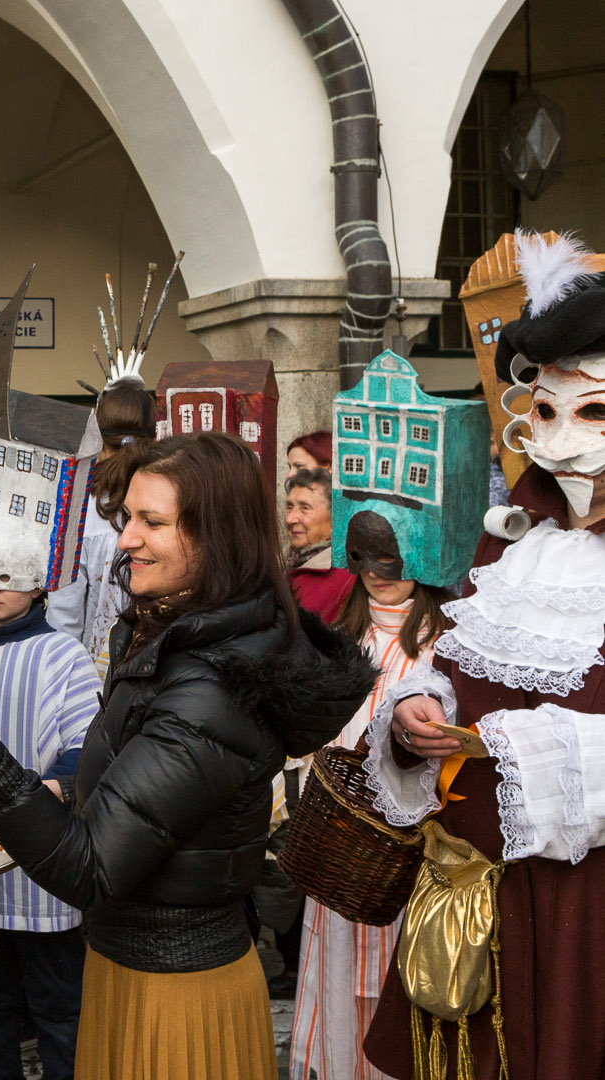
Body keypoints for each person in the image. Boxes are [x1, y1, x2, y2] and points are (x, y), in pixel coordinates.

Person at [0, 433, 374, 1080]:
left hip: (175, 992)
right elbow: (134, 796)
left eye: (153, 522)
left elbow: (90, 868)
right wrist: (64, 792)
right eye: (128, 519)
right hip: (134, 968)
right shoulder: (175, 638)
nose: (125, 539)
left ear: (218, 540)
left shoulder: (212, 688)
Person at [362, 231, 605, 1079]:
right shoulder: (510, 551)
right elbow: (451, 667)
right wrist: (418, 711)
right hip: (468, 893)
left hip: (580, 912)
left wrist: (515, 745)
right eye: (547, 410)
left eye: (595, 411)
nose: (565, 439)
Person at [286, 510, 451, 1080]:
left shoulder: (444, 647)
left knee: (396, 993)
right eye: (366, 556)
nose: (380, 573)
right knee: (338, 987)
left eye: (395, 557)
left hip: (406, 862)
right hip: (339, 856)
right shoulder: (339, 634)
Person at [0, 582, 101, 1079]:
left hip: (41, 867)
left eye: (10, 574)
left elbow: (84, 745)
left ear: (38, 582)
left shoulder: (63, 654)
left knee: (60, 1013)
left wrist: (45, 793)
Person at [47, 371, 158, 676]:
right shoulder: (170, 499)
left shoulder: (78, 504)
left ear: (96, 436)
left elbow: (64, 613)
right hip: (159, 664)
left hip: (92, 673)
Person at [284, 468, 355, 623]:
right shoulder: (286, 564)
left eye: (305, 508)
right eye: (289, 507)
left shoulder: (346, 578)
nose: (290, 519)